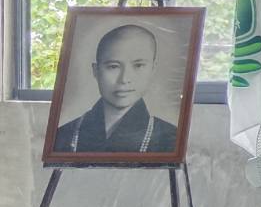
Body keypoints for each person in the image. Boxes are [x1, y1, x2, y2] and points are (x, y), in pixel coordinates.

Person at [54, 23, 179, 154]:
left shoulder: (171, 139)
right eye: (113, 66)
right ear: (96, 70)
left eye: (138, 66)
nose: (124, 79)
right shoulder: (63, 136)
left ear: (153, 69)